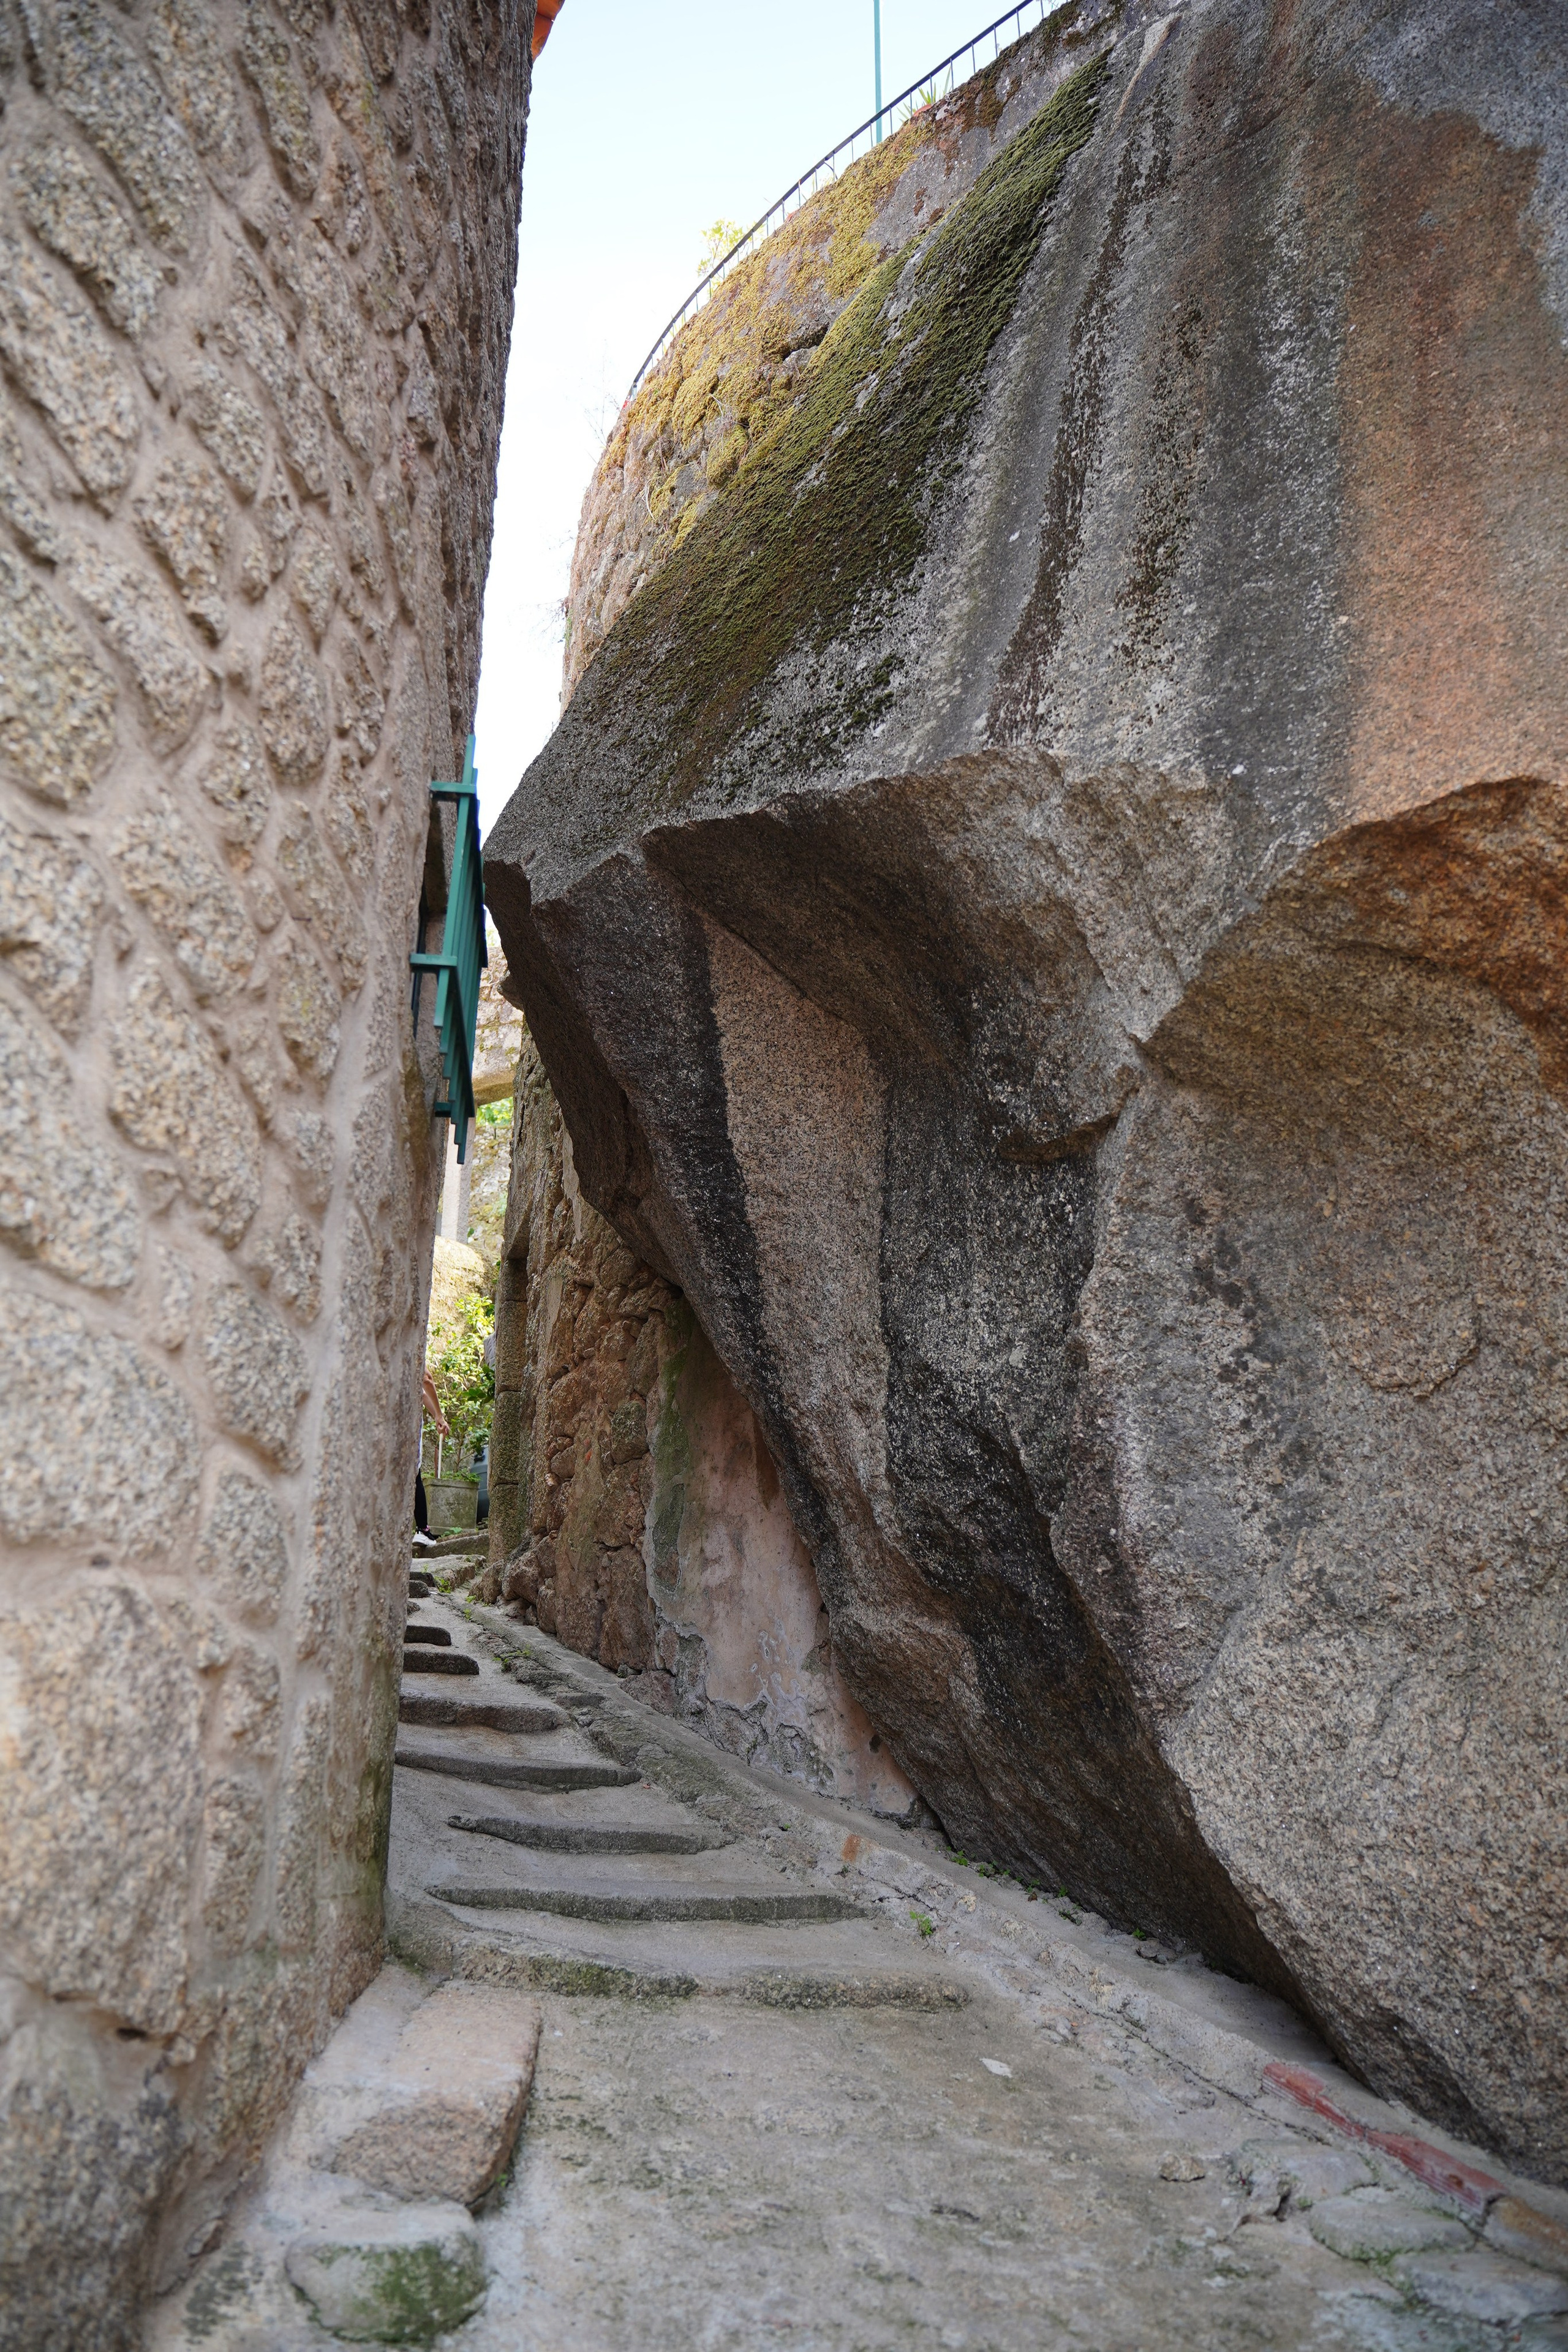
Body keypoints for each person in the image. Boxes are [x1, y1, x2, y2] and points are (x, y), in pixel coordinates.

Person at [413, 1368, 448, 1548]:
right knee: (414, 1474)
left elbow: (421, 1392)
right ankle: (423, 1530)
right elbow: (426, 1379)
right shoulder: (414, 1341)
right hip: (405, 1419)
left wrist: (436, 1415)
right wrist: (439, 1414)